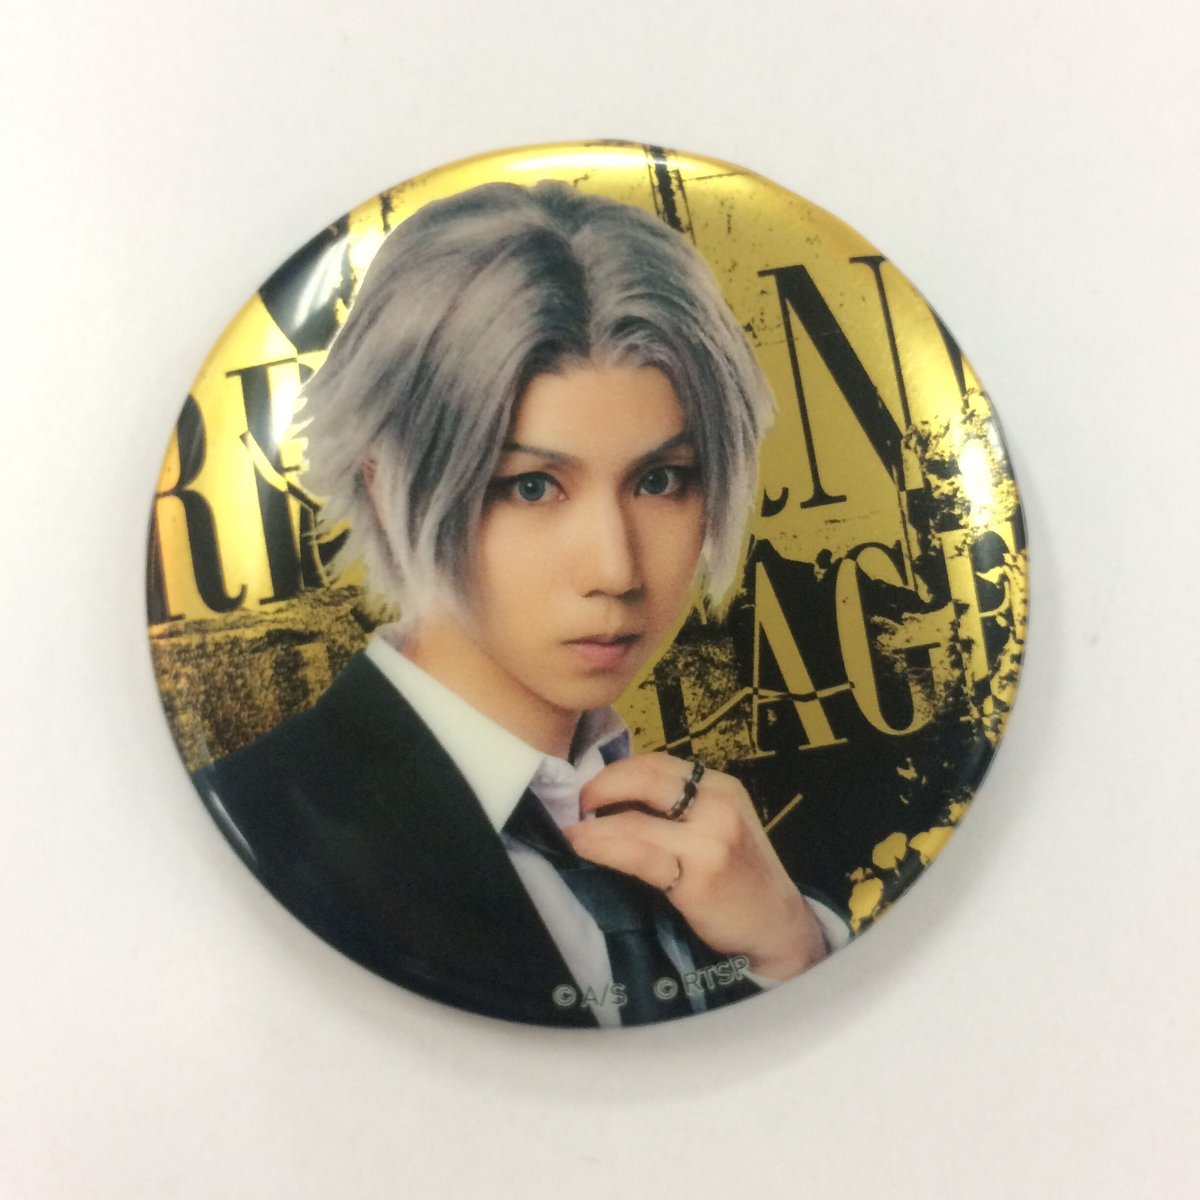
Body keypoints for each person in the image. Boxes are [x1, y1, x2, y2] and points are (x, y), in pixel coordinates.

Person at [195, 180, 846, 1027]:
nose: (616, 569)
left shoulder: (728, 846)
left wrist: (794, 952)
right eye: (531, 486)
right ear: (385, 485)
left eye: (661, 480)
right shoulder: (257, 834)